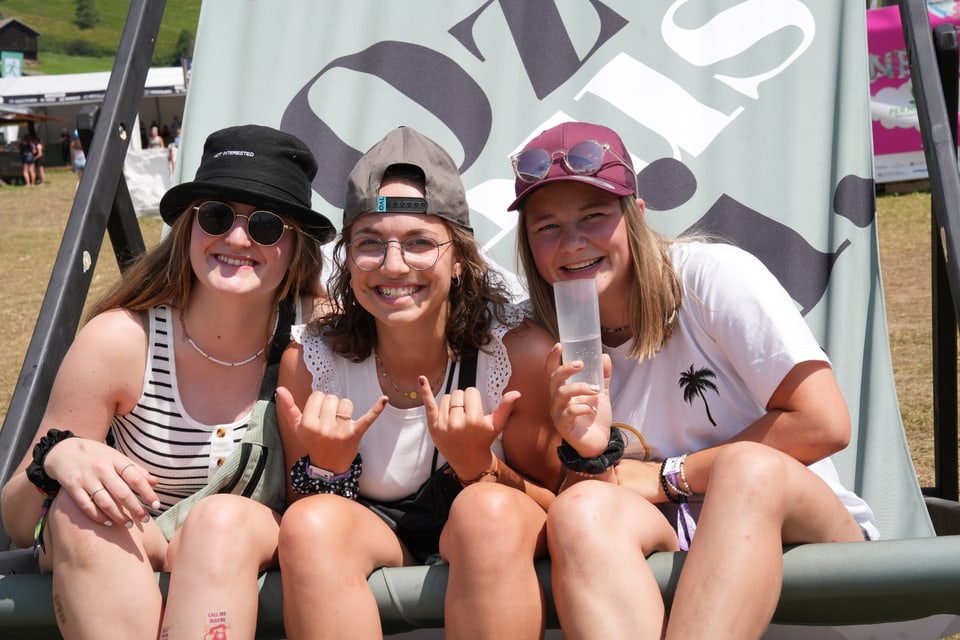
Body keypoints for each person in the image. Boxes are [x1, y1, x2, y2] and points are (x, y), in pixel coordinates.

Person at [508, 121, 879, 640]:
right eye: (546, 227)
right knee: (580, 511)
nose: (572, 243)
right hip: (666, 535)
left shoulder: (711, 277)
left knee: (747, 470)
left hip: (805, 529)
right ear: (528, 242)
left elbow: (824, 423)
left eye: (594, 217)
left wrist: (668, 476)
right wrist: (590, 455)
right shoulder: (534, 339)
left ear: (635, 215)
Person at [0, 123, 335, 639]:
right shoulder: (122, 340)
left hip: (245, 546)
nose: (237, 238)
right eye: (217, 216)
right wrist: (55, 458)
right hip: (131, 549)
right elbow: (20, 520)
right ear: (189, 226)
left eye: (267, 225)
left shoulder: (318, 335)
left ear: (296, 247)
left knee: (220, 524)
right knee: (79, 511)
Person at [275, 126, 561, 639]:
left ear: (459, 260)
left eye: (419, 242)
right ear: (348, 260)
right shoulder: (313, 361)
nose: (393, 265)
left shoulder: (515, 352)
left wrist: (481, 467)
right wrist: (330, 471)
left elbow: (562, 504)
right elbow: (303, 505)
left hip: (499, 534)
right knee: (309, 523)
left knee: (486, 511)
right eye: (369, 244)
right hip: (378, 535)